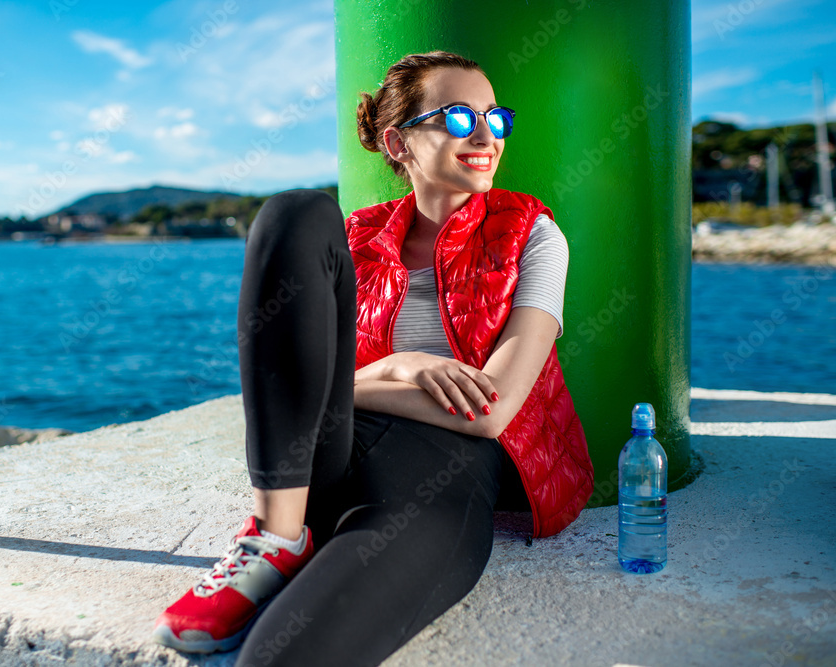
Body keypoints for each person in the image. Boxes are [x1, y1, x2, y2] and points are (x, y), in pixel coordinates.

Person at [151, 50, 593, 666]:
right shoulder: (354, 236)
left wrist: (361, 379)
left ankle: (302, 545)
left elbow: (490, 411)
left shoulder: (534, 234)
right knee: (295, 212)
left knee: (285, 655)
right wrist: (396, 367)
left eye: (496, 118)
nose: (487, 136)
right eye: (460, 119)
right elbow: (291, 371)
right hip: (324, 455)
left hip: (445, 468)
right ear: (399, 142)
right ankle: (277, 537)